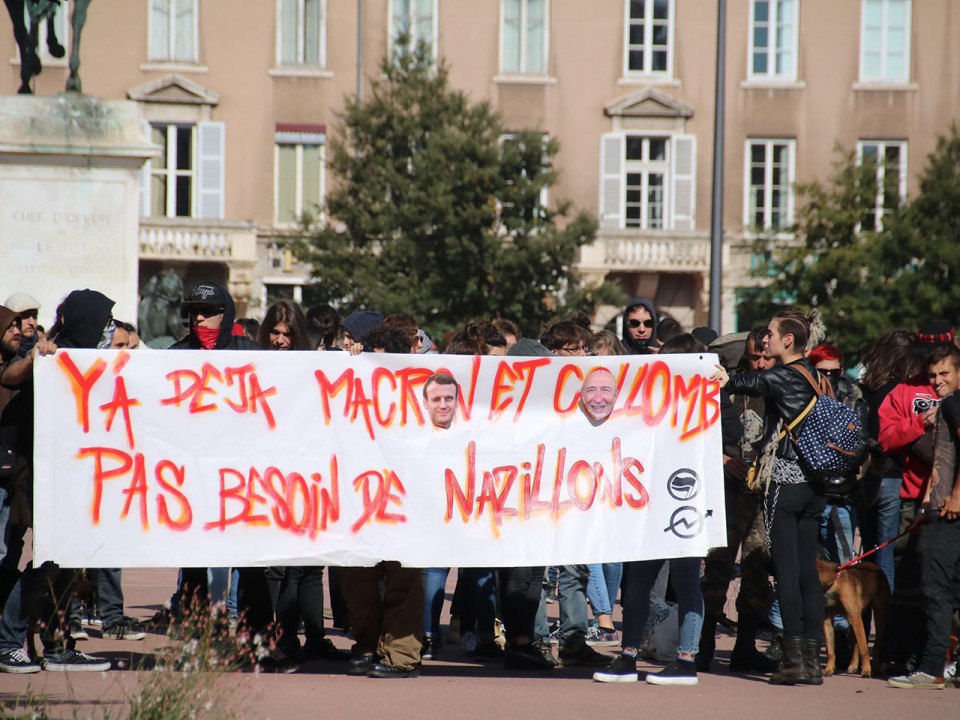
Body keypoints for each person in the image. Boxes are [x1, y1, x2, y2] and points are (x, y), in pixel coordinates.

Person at [712, 308, 827, 686]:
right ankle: (810, 660)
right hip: (813, 484)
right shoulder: (816, 374)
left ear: (788, 341)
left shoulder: (783, 374)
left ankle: (794, 659)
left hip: (785, 484)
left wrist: (724, 377)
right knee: (806, 572)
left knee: (787, 573)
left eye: (771, 337)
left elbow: (749, 384)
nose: (766, 343)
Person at [0, 290, 113, 673]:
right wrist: (37, 358)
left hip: (80, 480)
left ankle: (58, 643)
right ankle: (10, 641)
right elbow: (10, 378)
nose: (108, 330)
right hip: (48, 479)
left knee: (68, 565)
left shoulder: (94, 361)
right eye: (103, 321)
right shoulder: (51, 356)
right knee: (48, 562)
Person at [594, 334, 708, 686]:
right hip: (649, 506)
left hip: (687, 505)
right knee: (637, 586)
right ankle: (628, 657)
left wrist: (723, 382)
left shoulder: (708, 400)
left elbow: (728, 435)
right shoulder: (649, 399)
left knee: (687, 583)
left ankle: (687, 661)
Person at [698, 326, 777, 674]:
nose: (760, 363)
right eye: (754, 356)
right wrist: (724, 460)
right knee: (717, 567)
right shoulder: (726, 385)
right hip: (726, 490)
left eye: (766, 357)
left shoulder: (780, 388)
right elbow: (699, 431)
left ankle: (745, 645)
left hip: (763, 494)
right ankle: (701, 644)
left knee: (757, 568)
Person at [876, 322, 955, 672]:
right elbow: (886, 439)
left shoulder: (954, 384)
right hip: (915, 499)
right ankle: (908, 654)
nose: (935, 373)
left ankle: (940, 657)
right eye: (928, 363)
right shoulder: (905, 391)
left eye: (941, 365)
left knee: (945, 581)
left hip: (951, 497)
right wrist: (920, 424)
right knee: (911, 584)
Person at [3, 293, 40, 360]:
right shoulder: (4, 353)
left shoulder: (43, 349)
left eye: (34, 316)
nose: (31, 322)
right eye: (25, 316)